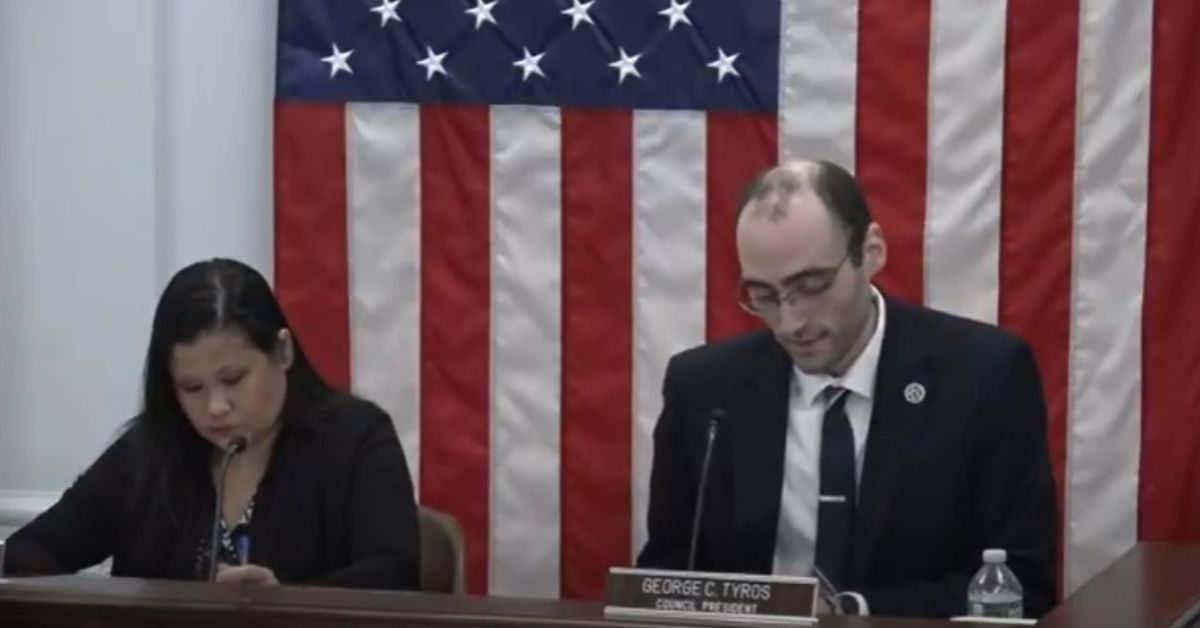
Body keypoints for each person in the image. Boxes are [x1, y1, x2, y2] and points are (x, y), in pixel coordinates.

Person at [636, 161, 1057, 618]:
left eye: (812, 286)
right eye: (763, 295)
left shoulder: (984, 376)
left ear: (870, 251)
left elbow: (1020, 584)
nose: (790, 321)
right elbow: (669, 573)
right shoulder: (704, 389)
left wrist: (850, 611)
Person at [2, 258, 420, 590]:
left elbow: (394, 574)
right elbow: (32, 552)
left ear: (283, 352)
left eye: (234, 379)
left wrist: (291, 602)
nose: (216, 407)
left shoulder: (356, 438)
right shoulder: (149, 450)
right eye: (192, 387)